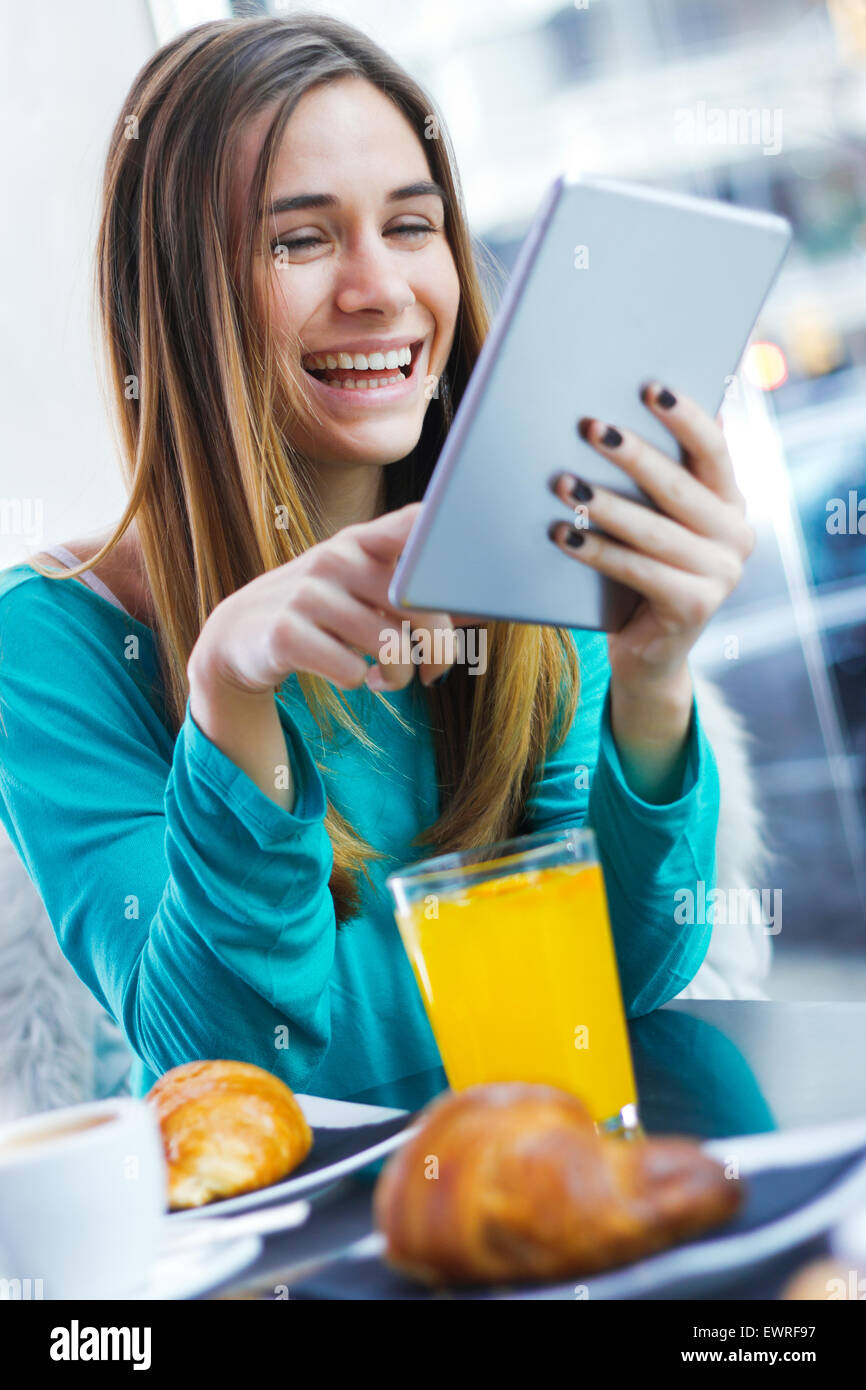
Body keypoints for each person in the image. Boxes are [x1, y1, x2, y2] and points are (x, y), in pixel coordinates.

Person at [0, 15, 753, 1101]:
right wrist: (226, 688)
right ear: (177, 296)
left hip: (525, 1197)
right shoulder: (52, 641)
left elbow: (620, 982)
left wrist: (650, 673)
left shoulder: (524, 537)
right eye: (298, 241)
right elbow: (233, 1068)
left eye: (411, 226)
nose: (379, 287)